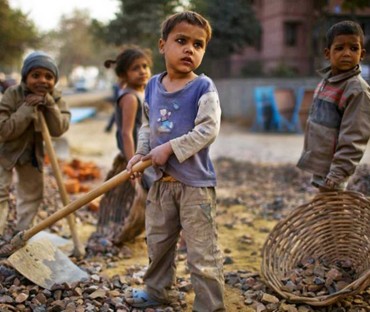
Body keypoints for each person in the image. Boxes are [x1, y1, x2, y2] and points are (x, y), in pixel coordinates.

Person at [125, 11, 225, 311]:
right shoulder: (153, 86)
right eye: (181, 41)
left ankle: (209, 305)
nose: (189, 50)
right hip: (161, 184)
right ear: (162, 45)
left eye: (198, 44)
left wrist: (169, 148)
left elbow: (208, 129)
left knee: (202, 252)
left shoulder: (203, 88)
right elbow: (147, 124)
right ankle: (157, 292)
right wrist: (142, 153)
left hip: (195, 185)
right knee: (158, 243)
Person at [0, 51, 70, 235]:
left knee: (32, 194)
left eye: (48, 77)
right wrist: (27, 107)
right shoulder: (12, 94)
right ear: (25, 77)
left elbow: (59, 129)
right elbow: (4, 130)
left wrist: (49, 105)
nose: (42, 81)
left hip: (31, 153)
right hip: (4, 150)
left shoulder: (55, 98)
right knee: (0, 191)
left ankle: (21, 235)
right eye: (35, 75)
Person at [297, 20, 370, 192]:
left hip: (334, 171)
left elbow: (354, 136)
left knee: (334, 212)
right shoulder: (328, 82)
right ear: (327, 53)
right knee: (327, 212)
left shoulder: (356, 90)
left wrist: (338, 173)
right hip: (322, 167)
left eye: (353, 48)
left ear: (362, 54)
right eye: (339, 48)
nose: (346, 53)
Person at [96, 46, 154, 245]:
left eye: (145, 66)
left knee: (150, 193)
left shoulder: (143, 93)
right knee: (148, 191)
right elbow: (126, 132)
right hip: (136, 156)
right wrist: (133, 164)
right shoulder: (130, 97)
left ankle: (149, 228)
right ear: (123, 74)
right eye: (135, 68)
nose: (142, 71)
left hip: (147, 154)